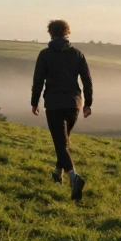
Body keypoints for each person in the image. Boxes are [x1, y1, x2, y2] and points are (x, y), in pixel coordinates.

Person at [31, 19, 93, 200]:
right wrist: (88, 104)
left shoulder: (45, 55)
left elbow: (38, 81)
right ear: (67, 32)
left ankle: (74, 178)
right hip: (74, 103)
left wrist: (34, 102)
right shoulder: (77, 54)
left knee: (60, 143)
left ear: (50, 33)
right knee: (63, 141)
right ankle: (58, 172)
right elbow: (87, 81)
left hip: (54, 104)